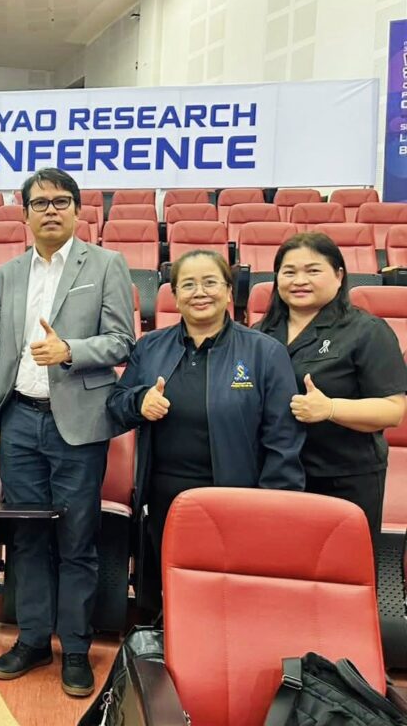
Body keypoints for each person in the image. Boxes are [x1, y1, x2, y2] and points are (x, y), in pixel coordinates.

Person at [0, 168, 134, 697]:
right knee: (27, 538)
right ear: (24, 213)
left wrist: (70, 349)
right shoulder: (7, 275)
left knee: (76, 540)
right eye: (40, 202)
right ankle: (32, 640)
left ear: (77, 210)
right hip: (19, 420)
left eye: (61, 201)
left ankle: (75, 648)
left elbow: (122, 341)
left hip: (78, 423)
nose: (50, 210)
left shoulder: (106, 264)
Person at [108, 250, 305, 583]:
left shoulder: (264, 351)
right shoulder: (150, 346)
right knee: (170, 587)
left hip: (237, 499)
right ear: (175, 297)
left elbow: (283, 438)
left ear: (228, 292)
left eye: (210, 282)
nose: (199, 292)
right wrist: (140, 401)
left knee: (228, 589)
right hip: (164, 497)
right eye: (188, 285)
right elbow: (116, 404)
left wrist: (272, 505)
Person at [256, 232, 407, 541]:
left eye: (313, 270)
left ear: (339, 276)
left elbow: (393, 410)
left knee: (342, 567)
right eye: (289, 272)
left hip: (343, 478)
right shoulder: (259, 334)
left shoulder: (367, 331)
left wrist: (330, 409)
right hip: (273, 476)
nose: (299, 280)